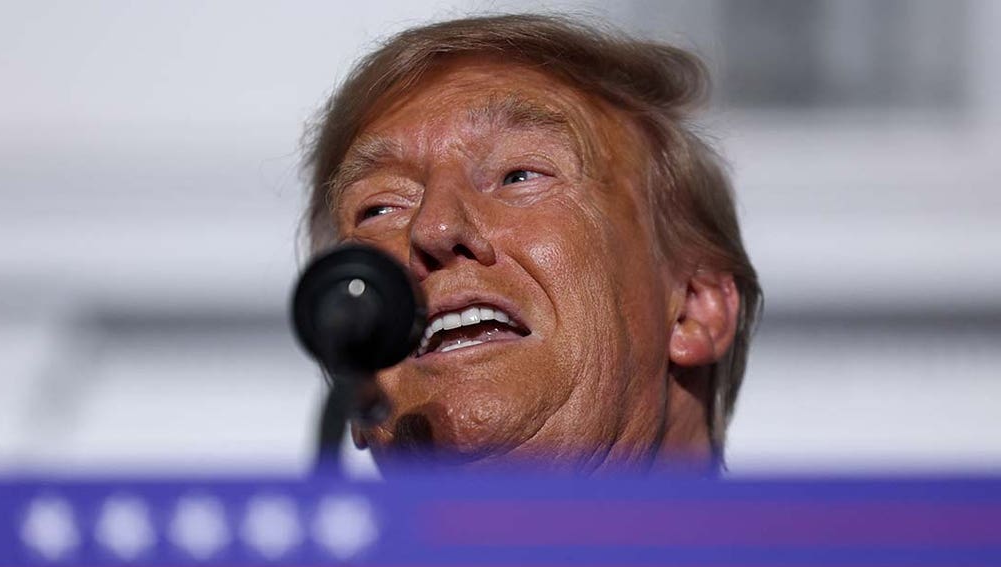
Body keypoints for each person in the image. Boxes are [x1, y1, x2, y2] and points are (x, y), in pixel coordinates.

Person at [301, 14, 761, 475]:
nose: (434, 229)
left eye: (518, 176)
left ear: (694, 308)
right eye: (380, 209)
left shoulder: (828, 547)